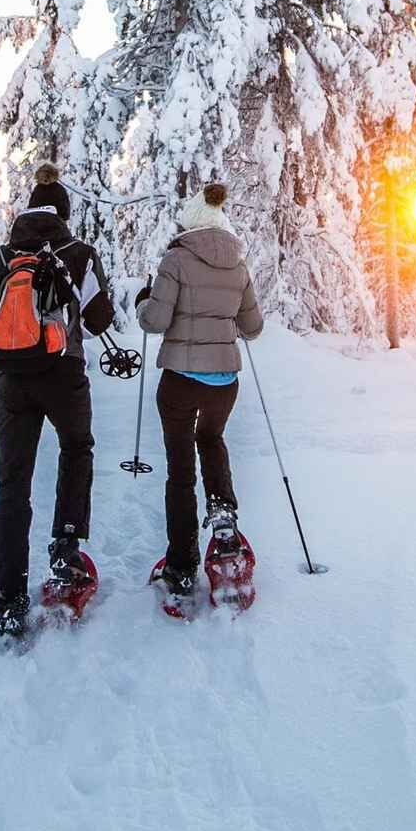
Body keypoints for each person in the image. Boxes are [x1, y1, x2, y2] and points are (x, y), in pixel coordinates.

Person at [0, 165, 118, 636]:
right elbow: (97, 320)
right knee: (76, 450)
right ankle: (66, 551)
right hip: (65, 375)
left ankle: (7, 599)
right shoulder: (79, 253)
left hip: (12, 381)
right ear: (64, 215)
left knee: (13, 486)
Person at [135, 181, 264, 600]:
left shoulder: (176, 259)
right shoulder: (239, 265)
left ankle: (182, 564)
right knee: (211, 440)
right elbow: (253, 328)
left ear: (189, 222)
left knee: (180, 470)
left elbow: (154, 321)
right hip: (224, 383)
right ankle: (224, 522)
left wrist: (143, 302)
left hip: (179, 383)